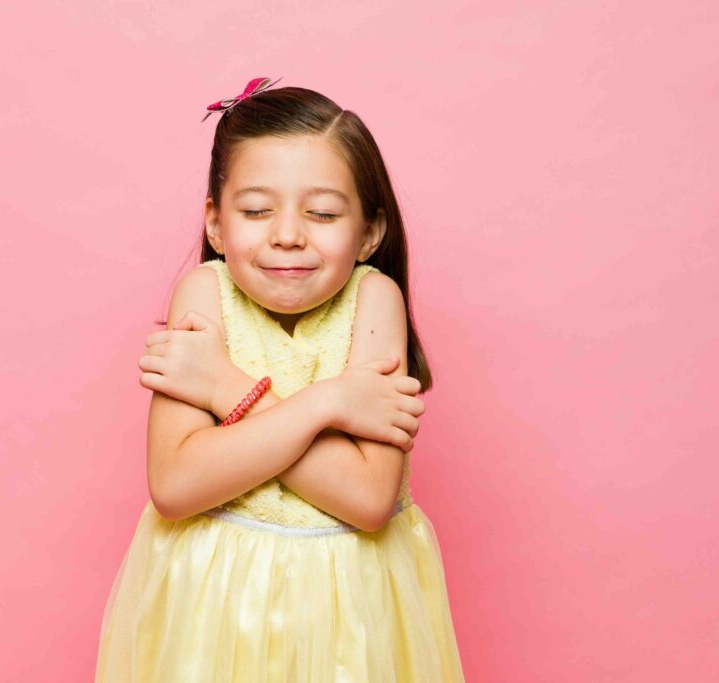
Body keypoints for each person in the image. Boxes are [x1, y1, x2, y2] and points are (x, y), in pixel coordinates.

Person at [94, 77, 465, 682]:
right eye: (257, 210)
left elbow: (367, 499)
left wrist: (226, 391)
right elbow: (177, 483)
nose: (288, 233)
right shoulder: (203, 294)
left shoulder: (375, 299)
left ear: (370, 231)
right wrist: (329, 405)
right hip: (213, 606)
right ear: (215, 224)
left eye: (321, 213)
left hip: (350, 611)